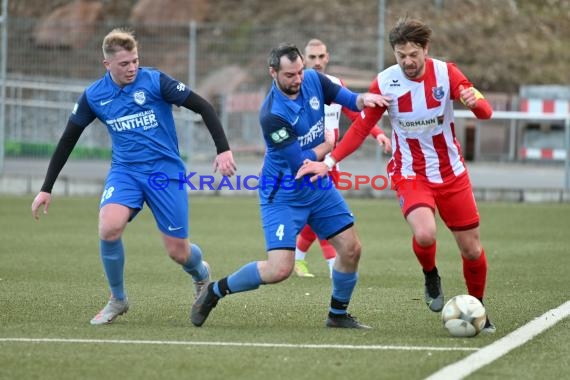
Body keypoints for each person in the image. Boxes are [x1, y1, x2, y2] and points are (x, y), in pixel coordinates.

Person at [297, 17, 496, 333]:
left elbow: (486, 112)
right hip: (410, 173)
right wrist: (330, 161)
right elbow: (361, 126)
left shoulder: (447, 73)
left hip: (451, 174)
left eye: (413, 55)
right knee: (425, 233)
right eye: (401, 55)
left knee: (471, 249)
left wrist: (476, 103)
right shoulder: (386, 82)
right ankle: (431, 274)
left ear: (425, 50)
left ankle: (478, 308)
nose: (407, 61)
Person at [30, 28, 237, 325]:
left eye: (135, 61)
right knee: (109, 227)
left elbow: (203, 106)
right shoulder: (94, 96)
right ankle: (118, 299)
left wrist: (223, 149)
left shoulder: (155, 81)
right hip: (125, 172)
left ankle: (200, 273)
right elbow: (67, 139)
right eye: (124, 64)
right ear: (107, 65)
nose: (132, 68)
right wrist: (46, 188)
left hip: (164, 173)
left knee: (178, 252)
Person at [190, 43, 390, 329]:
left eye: (299, 72)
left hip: (317, 186)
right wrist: (327, 146)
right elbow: (300, 163)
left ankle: (337, 315)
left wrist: (364, 99)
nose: (297, 79)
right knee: (279, 269)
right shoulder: (272, 114)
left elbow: (348, 99)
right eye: (289, 75)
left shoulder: (313, 79)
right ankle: (215, 291)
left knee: (351, 249)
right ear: (273, 73)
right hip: (283, 192)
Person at [294, 38, 392, 278]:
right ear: (304, 60)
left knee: (317, 213)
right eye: (312, 57)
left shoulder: (335, 85)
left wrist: (378, 133)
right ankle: (331, 263)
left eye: (321, 57)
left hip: (331, 162)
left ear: (327, 58)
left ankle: (297, 258)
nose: (317, 62)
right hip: (307, 161)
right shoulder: (296, 87)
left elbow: (356, 115)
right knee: (323, 211)